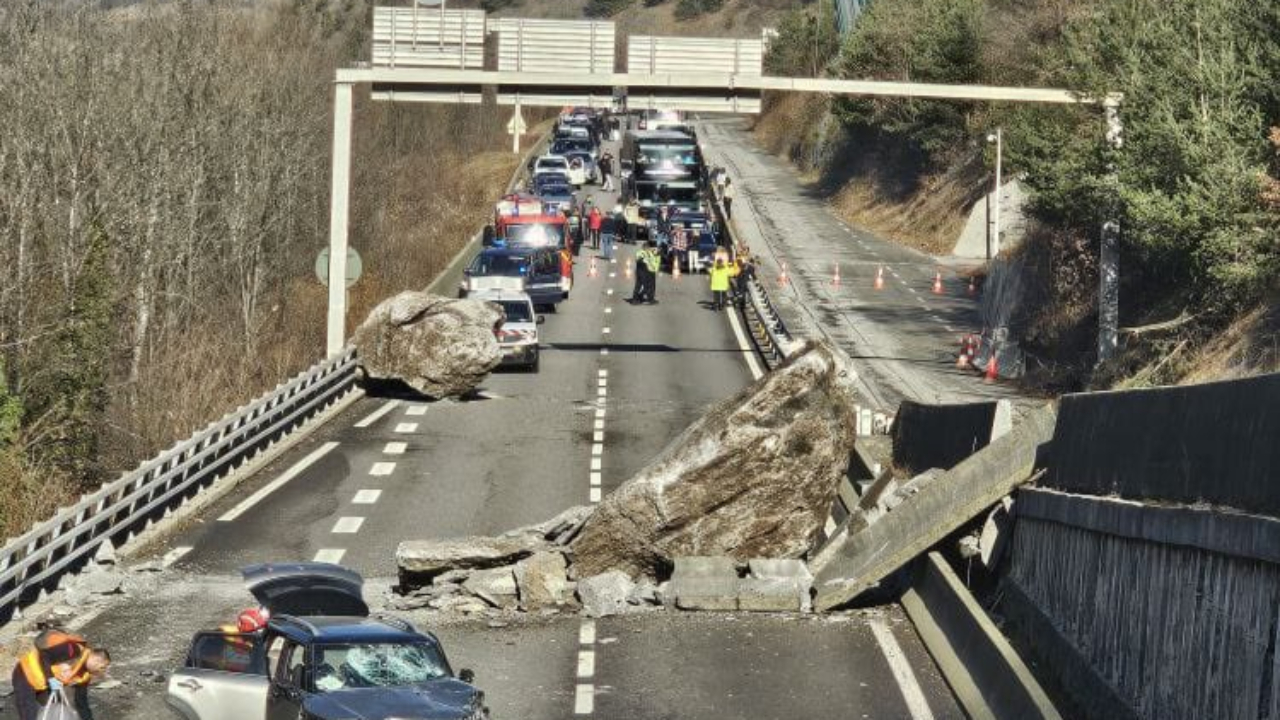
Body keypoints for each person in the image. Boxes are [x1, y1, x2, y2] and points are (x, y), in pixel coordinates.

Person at [12, 629, 111, 720]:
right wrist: (51, 678)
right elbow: (44, 655)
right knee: (28, 711)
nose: (100, 672)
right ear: (96, 659)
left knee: (53, 710)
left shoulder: (84, 676)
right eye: (102, 667)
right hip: (25, 674)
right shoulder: (73, 649)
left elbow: (82, 703)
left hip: (44, 684)